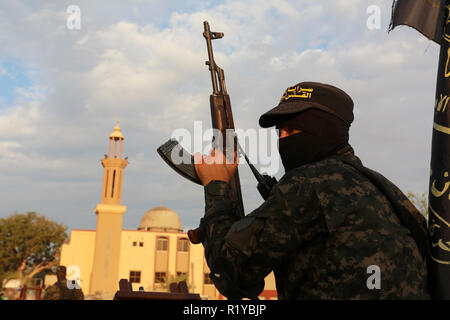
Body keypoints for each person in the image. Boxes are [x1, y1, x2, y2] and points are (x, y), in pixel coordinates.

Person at [194, 81, 430, 299]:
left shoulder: (305, 184)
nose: (284, 140)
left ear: (326, 130)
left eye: (295, 131)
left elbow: (233, 273)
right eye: (281, 132)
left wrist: (217, 187)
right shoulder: (386, 190)